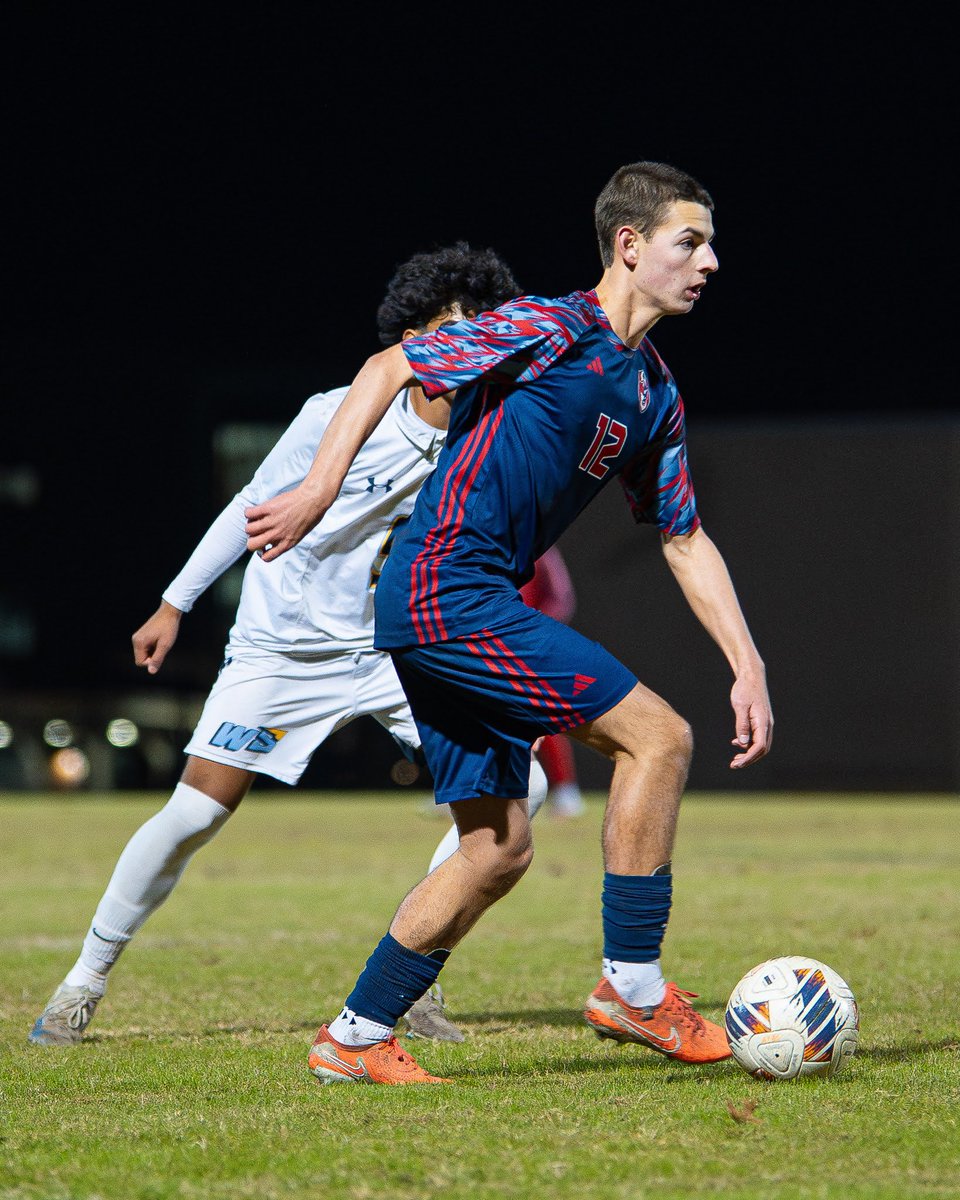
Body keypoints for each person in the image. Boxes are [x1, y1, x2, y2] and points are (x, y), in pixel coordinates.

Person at [245, 160, 774, 1086]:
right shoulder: (549, 325)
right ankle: (634, 988)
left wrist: (749, 663)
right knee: (657, 738)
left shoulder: (653, 392)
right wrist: (317, 491)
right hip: (448, 588)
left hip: (453, 600)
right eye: (691, 241)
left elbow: (684, 539)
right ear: (630, 245)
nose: (710, 261)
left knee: (496, 848)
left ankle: (354, 1037)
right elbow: (391, 365)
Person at [27, 242, 542, 1048]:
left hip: (387, 652)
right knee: (194, 813)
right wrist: (174, 603)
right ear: (411, 336)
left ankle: (413, 972)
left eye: (483, 329)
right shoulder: (333, 411)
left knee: (526, 790)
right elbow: (248, 505)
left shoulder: (485, 438)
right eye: (451, 325)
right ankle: (80, 984)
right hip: (282, 650)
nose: (468, 341)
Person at [519, 546, 586, 818]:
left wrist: (537, 630)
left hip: (529, 643)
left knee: (542, 713)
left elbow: (561, 597)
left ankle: (566, 792)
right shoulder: (482, 539)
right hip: (489, 642)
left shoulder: (539, 547)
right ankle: (462, 793)